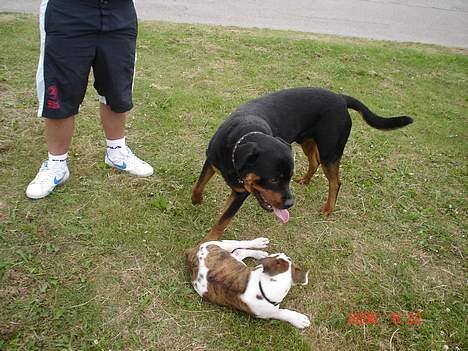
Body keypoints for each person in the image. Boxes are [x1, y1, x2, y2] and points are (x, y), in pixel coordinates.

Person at [26, 0, 153, 199]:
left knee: (117, 86)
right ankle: (57, 165)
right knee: (60, 89)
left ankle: (116, 151)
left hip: (119, 10)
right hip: (68, 10)